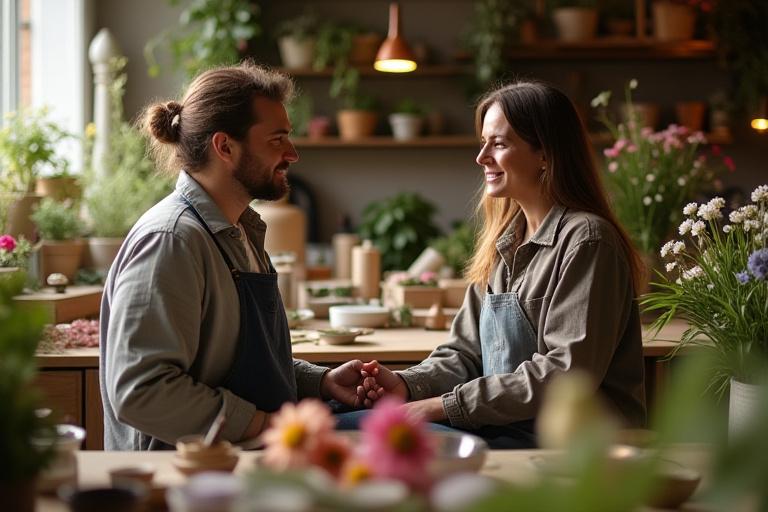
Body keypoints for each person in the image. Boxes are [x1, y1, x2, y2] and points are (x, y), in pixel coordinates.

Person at [355, 81, 646, 448]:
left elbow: (564, 377)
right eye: (483, 143)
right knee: (350, 420)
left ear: (545, 153)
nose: (482, 158)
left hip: (569, 448)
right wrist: (408, 384)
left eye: (499, 143)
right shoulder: (502, 243)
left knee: (370, 436)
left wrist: (440, 406)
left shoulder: (587, 241)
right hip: (506, 429)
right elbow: (464, 354)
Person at [100, 62, 366, 450]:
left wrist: (319, 381)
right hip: (191, 477)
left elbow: (234, 367)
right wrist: (263, 425)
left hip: (246, 458)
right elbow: (141, 391)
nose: (292, 154)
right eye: (277, 140)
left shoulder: (238, 232)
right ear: (225, 146)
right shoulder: (172, 241)